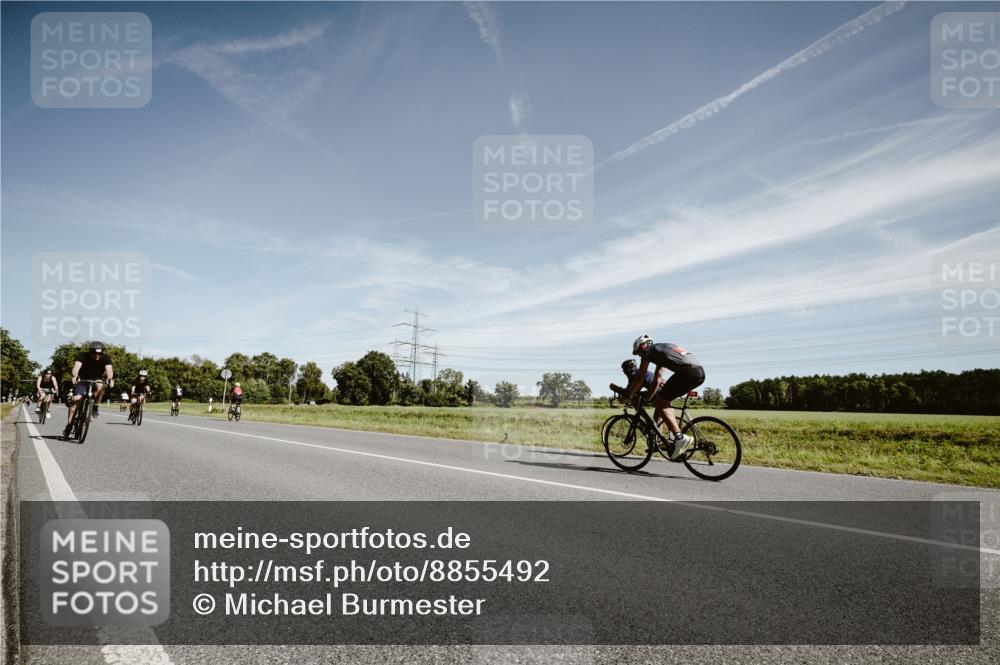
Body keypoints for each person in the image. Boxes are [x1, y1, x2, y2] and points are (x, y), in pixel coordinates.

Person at [623, 335, 705, 460]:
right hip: (699, 372)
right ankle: (675, 438)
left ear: (643, 346)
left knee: (660, 402)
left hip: (686, 372)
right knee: (663, 401)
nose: (639, 356)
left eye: (638, 352)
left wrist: (630, 395)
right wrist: (648, 398)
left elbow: (640, 378)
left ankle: (680, 437)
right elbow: (657, 378)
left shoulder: (648, 352)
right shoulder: (661, 350)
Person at [65, 342, 113, 438]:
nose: (97, 356)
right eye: (95, 353)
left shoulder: (106, 358)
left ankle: (95, 406)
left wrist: (109, 378)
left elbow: (109, 371)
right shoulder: (82, 355)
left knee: (101, 386)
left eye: (99, 354)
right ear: (90, 352)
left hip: (96, 380)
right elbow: (76, 368)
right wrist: (75, 376)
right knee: (76, 401)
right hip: (82, 380)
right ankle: (69, 425)